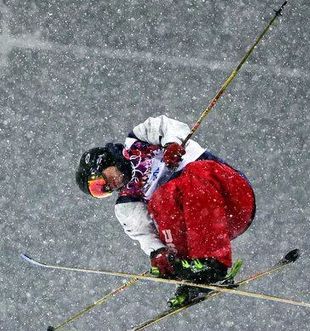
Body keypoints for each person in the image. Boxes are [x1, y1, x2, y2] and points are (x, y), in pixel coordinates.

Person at [75, 115, 256, 307]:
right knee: (163, 199)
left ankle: (214, 263)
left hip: (232, 196)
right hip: (215, 228)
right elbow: (146, 236)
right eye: (100, 192)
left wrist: (171, 145)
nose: (108, 188)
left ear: (103, 163)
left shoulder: (138, 141)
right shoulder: (127, 203)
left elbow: (170, 127)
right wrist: (159, 254)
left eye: (99, 184)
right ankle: (195, 275)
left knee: (186, 180)